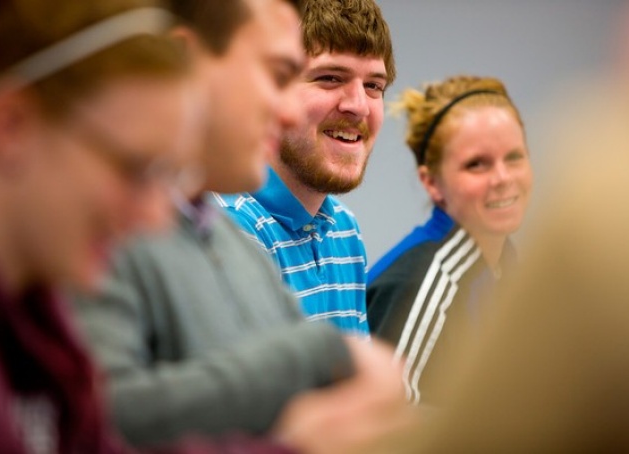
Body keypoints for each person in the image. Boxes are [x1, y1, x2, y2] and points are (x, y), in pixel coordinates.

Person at [71, 0, 408, 450]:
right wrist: (326, 354)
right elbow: (91, 417)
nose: (286, 112)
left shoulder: (231, 243)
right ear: (186, 61)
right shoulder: (107, 230)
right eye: (277, 75)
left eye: (375, 86)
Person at [0, 0, 290, 452]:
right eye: (136, 171)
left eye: (167, 176)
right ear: (12, 126)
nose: (156, 219)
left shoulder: (40, 323)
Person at [216, 0, 396, 338]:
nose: (358, 106)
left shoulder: (344, 228)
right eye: (330, 78)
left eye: (373, 86)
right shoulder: (230, 232)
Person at [366, 75, 533, 405]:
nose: (503, 178)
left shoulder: (505, 264)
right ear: (432, 183)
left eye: (514, 157)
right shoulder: (420, 283)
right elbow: (391, 425)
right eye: (477, 164)